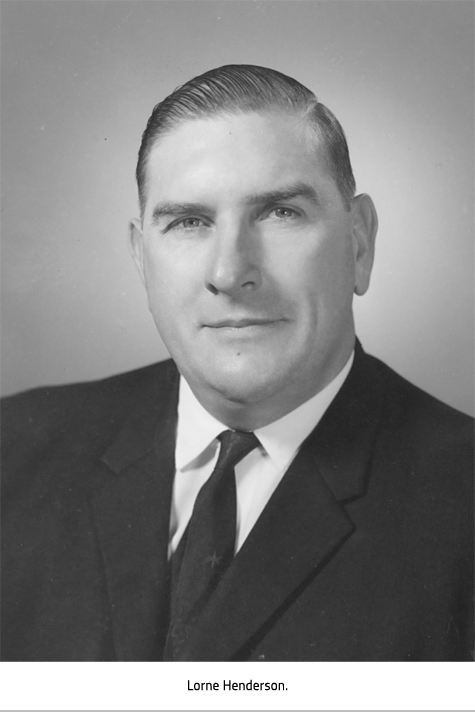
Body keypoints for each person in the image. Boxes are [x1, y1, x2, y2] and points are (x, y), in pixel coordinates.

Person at [1, 65, 474, 663]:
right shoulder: (12, 450)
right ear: (142, 258)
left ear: (359, 242)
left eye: (279, 213)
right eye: (189, 222)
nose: (229, 272)